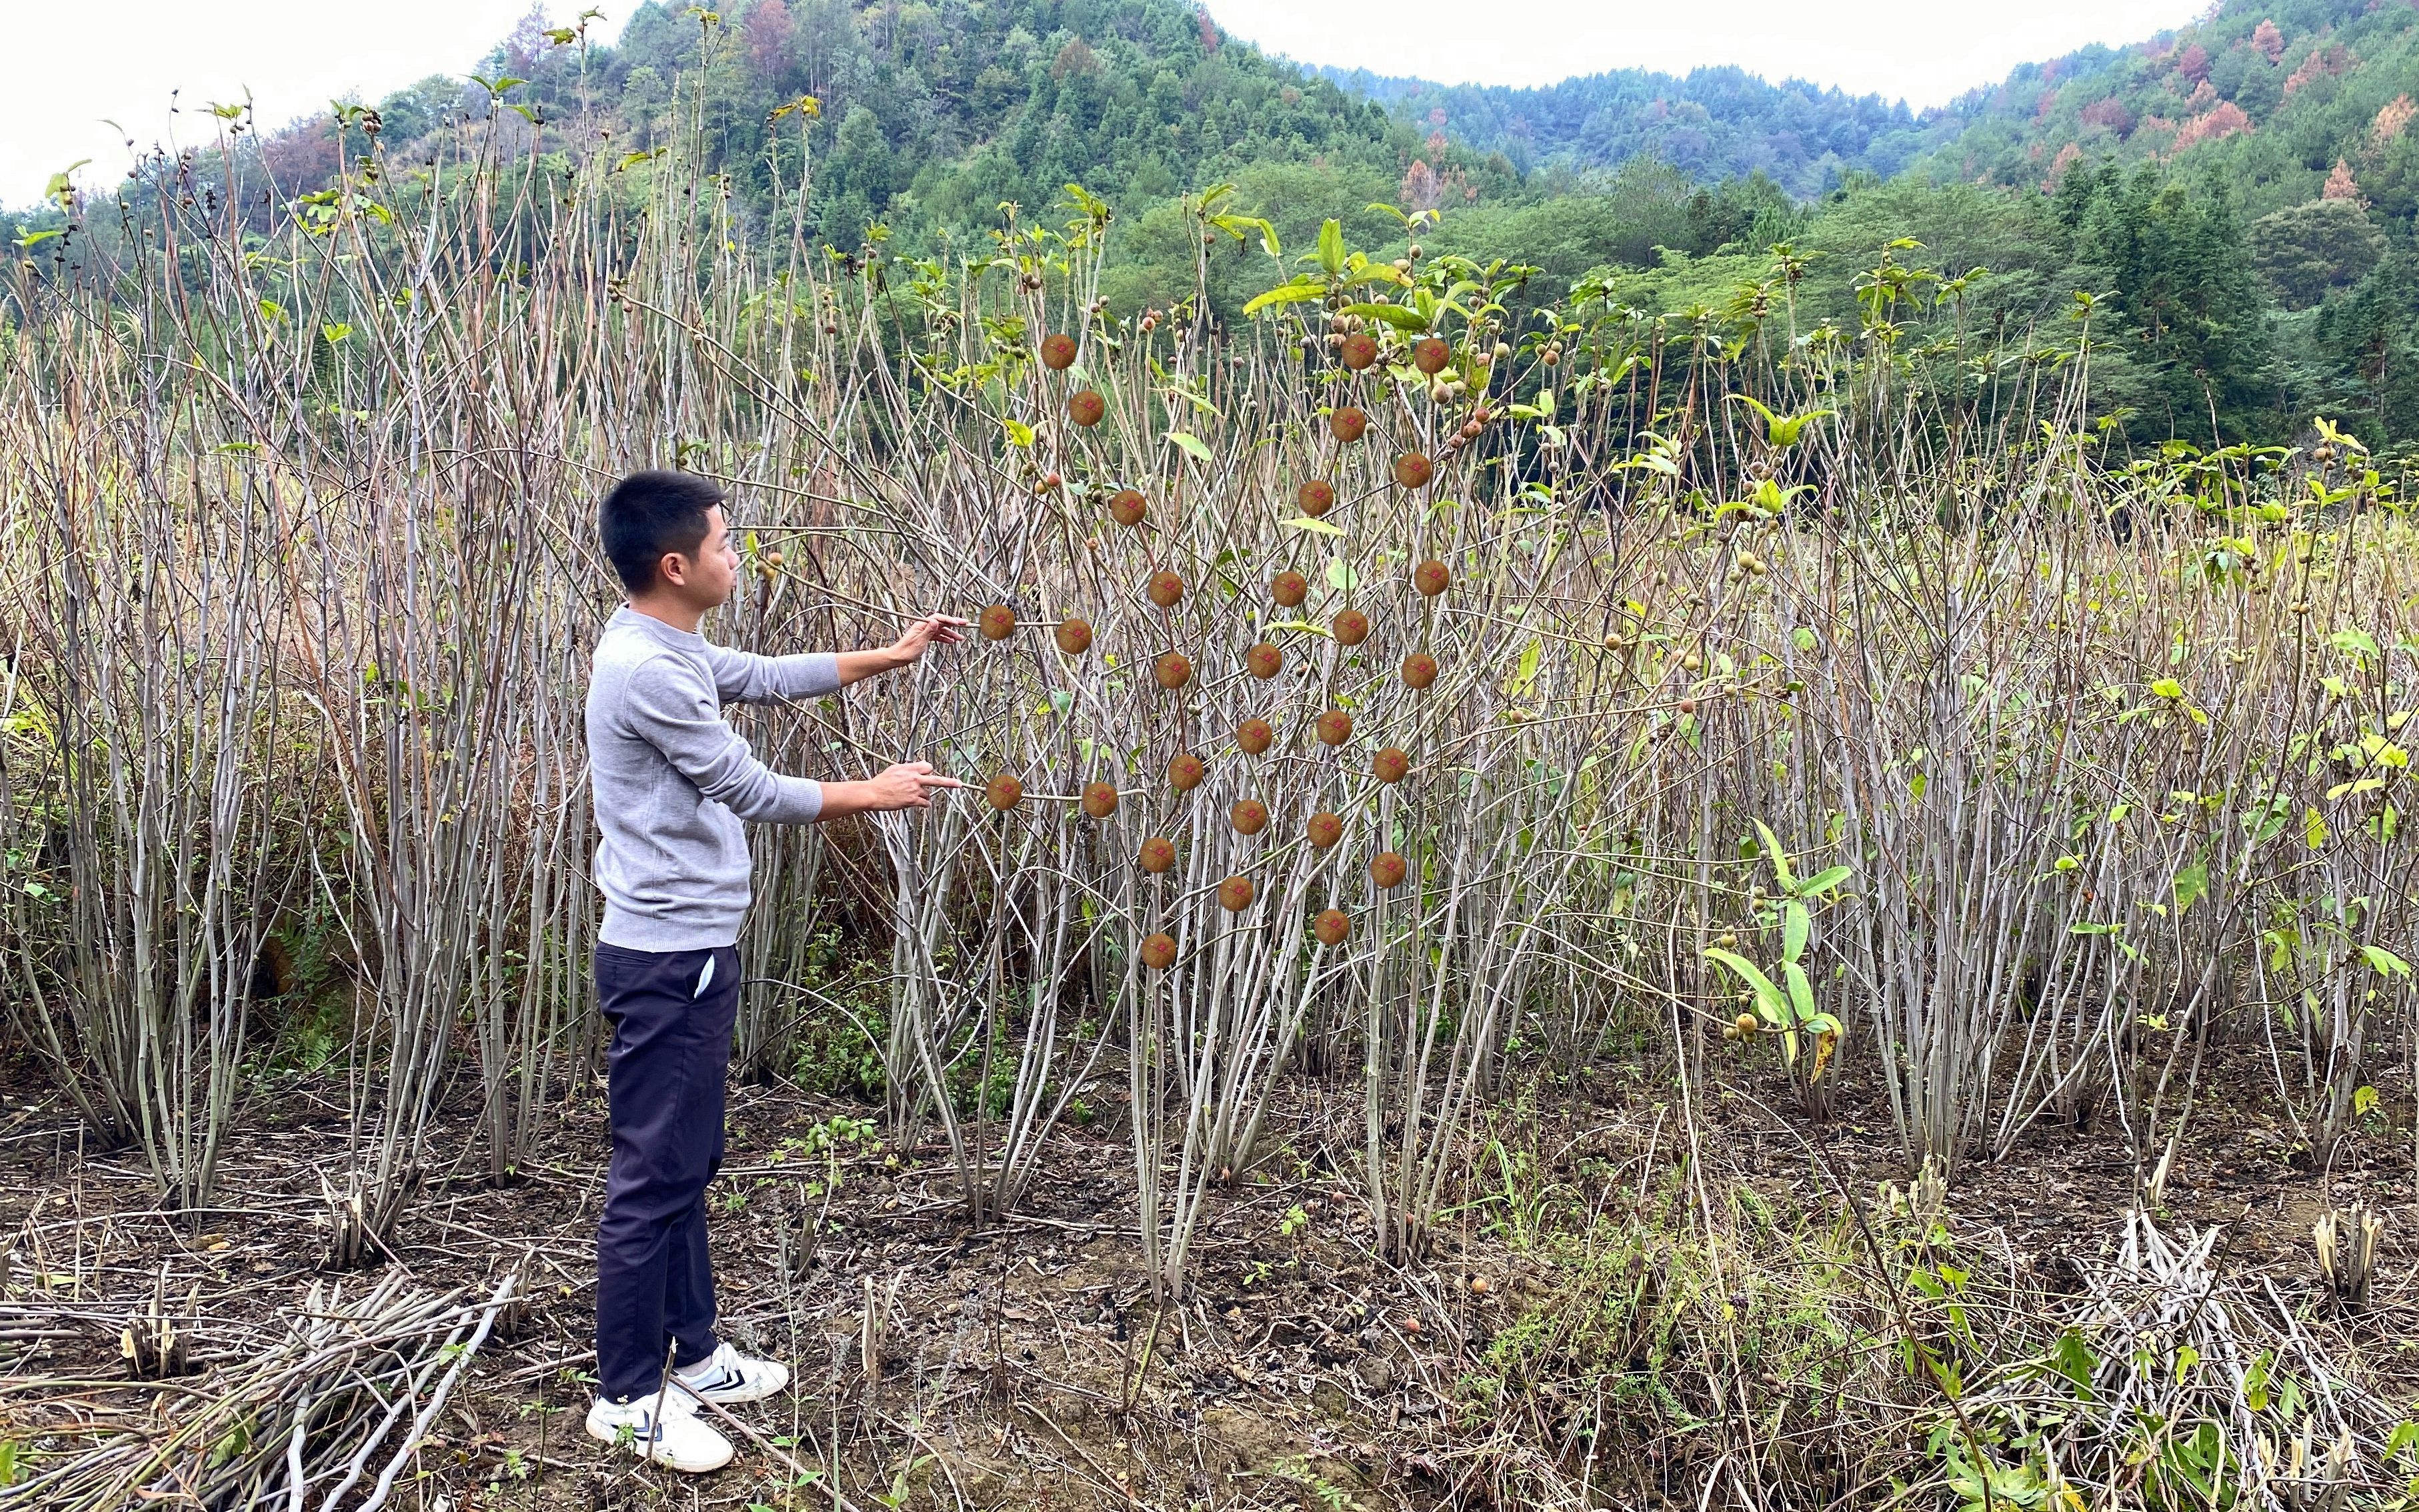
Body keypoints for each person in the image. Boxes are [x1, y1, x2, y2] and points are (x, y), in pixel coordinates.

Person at [582, 469, 962, 1471]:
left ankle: (696, 1355)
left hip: (689, 950)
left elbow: (759, 673)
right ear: (676, 565)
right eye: (723, 541)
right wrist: (876, 792)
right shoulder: (648, 671)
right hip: (668, 960)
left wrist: (894, 652)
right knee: (652, 1177)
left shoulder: (669, 643)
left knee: (686, 1164)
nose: (735, 553)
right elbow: (745, 786)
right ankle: (625, 1394)